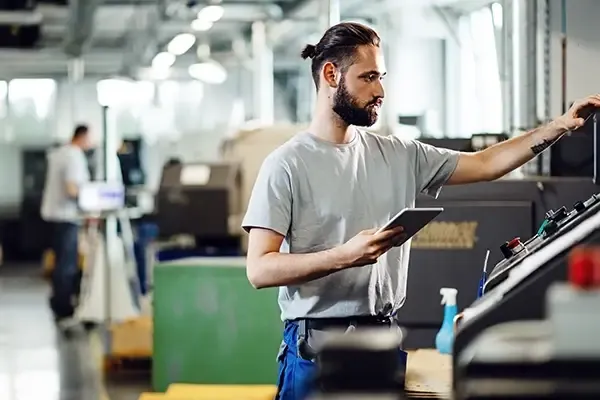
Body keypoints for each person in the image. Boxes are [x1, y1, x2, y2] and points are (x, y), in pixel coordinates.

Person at [241, 22, 600, 400]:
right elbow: (260, 269)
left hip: (385, 339)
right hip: (315, 351)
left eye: (381, 77)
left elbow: (485, 164)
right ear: (331, 74)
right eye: (368, 78)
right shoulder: (286, 165)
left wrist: (560, 126)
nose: (380, 91)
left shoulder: (399, 154)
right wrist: (345, 256)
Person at [41, 124, 93, 333]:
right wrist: (90, 200)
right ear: (82, 137)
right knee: (67, 265)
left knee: (61, 262)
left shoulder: (59, 153)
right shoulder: (73, 156)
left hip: (54, 216)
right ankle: (64, 307)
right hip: (67, 216)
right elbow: (71, 188)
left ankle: (58, 303)